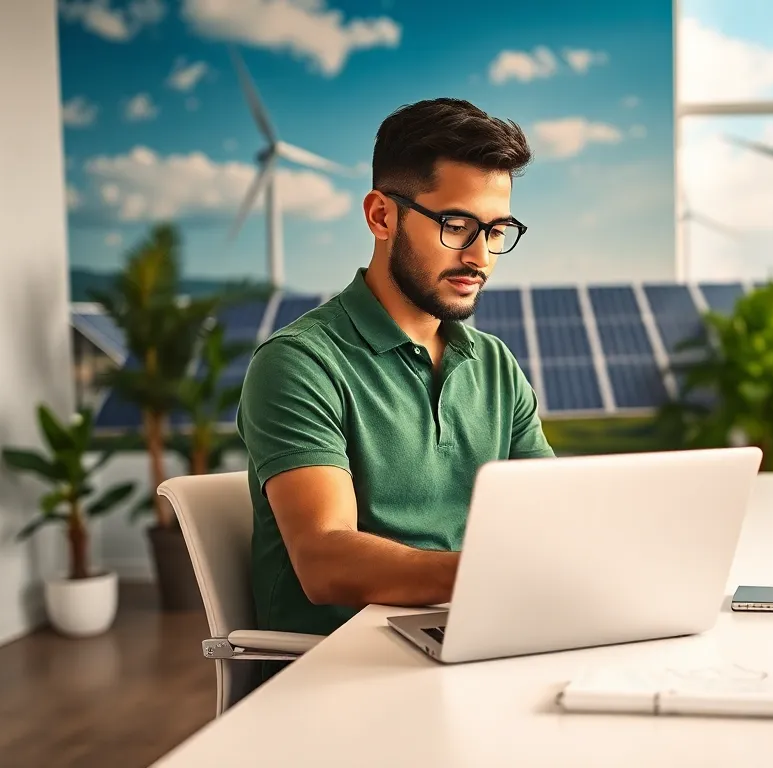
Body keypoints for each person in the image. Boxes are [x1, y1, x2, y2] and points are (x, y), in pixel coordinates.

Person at [237, 98, 555, 644]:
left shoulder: (496, 365)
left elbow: (549, 515)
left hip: (475, 636)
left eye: (497, 230)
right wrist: (492, 576)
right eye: (456, 225)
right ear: (382, 215)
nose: (480, 256)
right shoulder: (299, 364)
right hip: (335, 668)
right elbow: (324, 559)